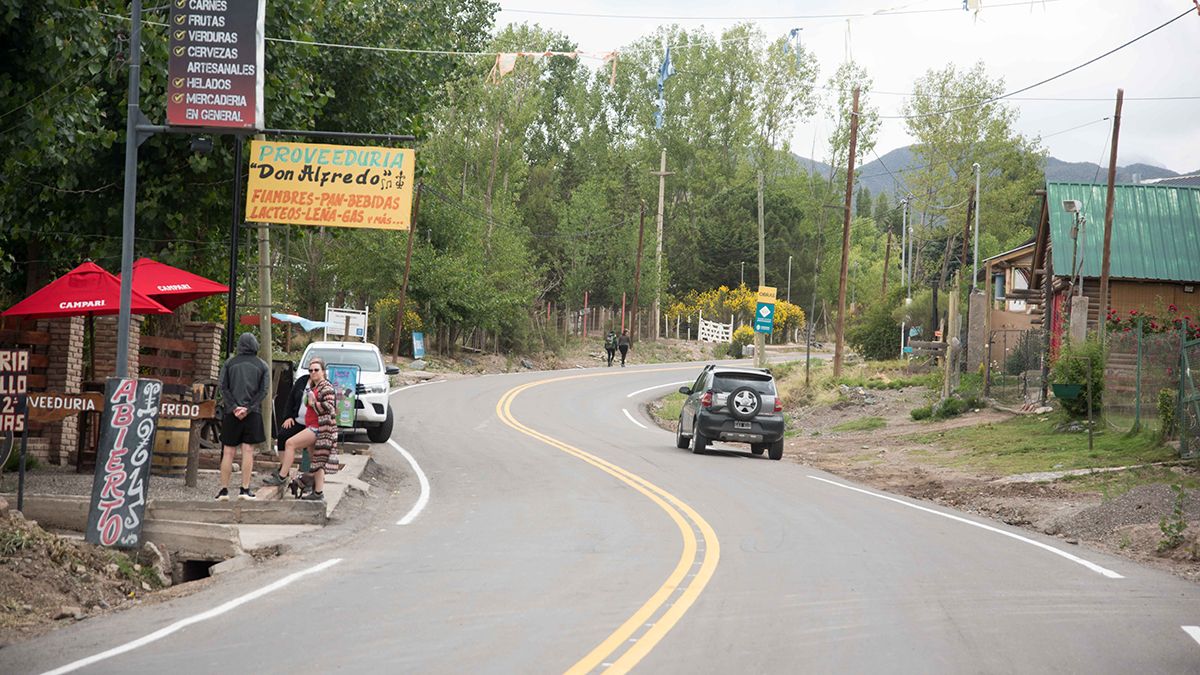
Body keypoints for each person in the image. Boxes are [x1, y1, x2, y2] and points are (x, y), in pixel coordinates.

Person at [266, 356, 338, 501]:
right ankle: (318, 493)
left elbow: (330, 408)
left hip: (320, 428)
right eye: (311, 370)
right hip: (313, 426)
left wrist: (313, 404)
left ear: (323, 371)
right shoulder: (314, 386)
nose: (313, 373)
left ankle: (282, 476)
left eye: (316, 370)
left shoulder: (326, 387)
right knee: (315, 460)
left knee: (290, 443)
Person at [216, 332, 270, 501]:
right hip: (252, 413)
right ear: (255, 345)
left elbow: (223, 387)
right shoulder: (263, 366)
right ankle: (244, 489)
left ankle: (223, 491)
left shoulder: (229, 363)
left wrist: (233, 408)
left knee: (228, 452)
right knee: (248, 451)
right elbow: (263, 391)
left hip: (231, 414)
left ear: (239, 345)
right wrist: (248, 408)